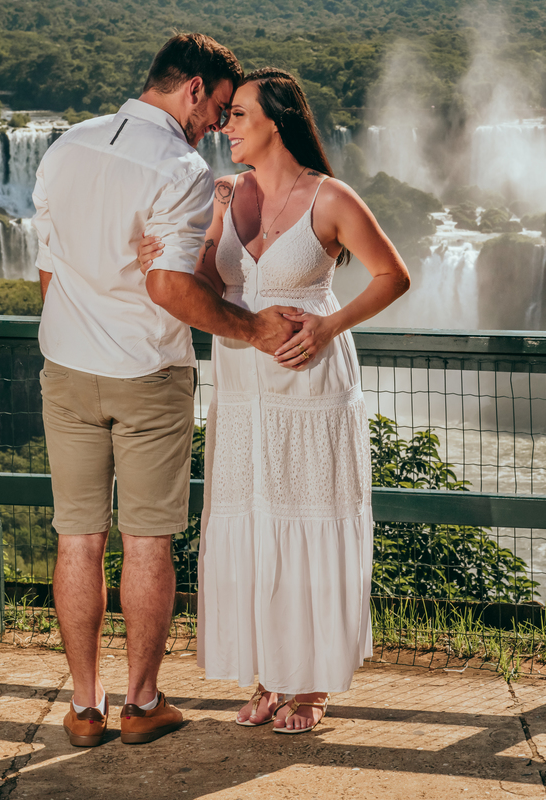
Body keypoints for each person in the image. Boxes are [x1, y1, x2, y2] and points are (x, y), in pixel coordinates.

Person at [34, 35, 300, 748]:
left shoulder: (66, 146)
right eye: (217, 108)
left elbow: (48, 275)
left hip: (65, 366)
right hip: (147, 371)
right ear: (192, 90)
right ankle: (141, 703)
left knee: (77, 538)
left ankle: (85, 709)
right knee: (147, 539)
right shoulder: (179, 166)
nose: (218, 124)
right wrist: (251, 329)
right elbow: (169, 287)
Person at [136, 67, 410, 734]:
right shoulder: (225, 195)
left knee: (308, 520)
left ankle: (310, 687)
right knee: (255, 524)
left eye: (239, 116)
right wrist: (157, 259)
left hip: (311, 386)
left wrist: (327, 325)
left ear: (278, 122)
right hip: (240, 386)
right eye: (226, 116)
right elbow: (201, 280)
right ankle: (269, 675)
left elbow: (392, 276)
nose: (225, 125)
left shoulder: (331, 199)